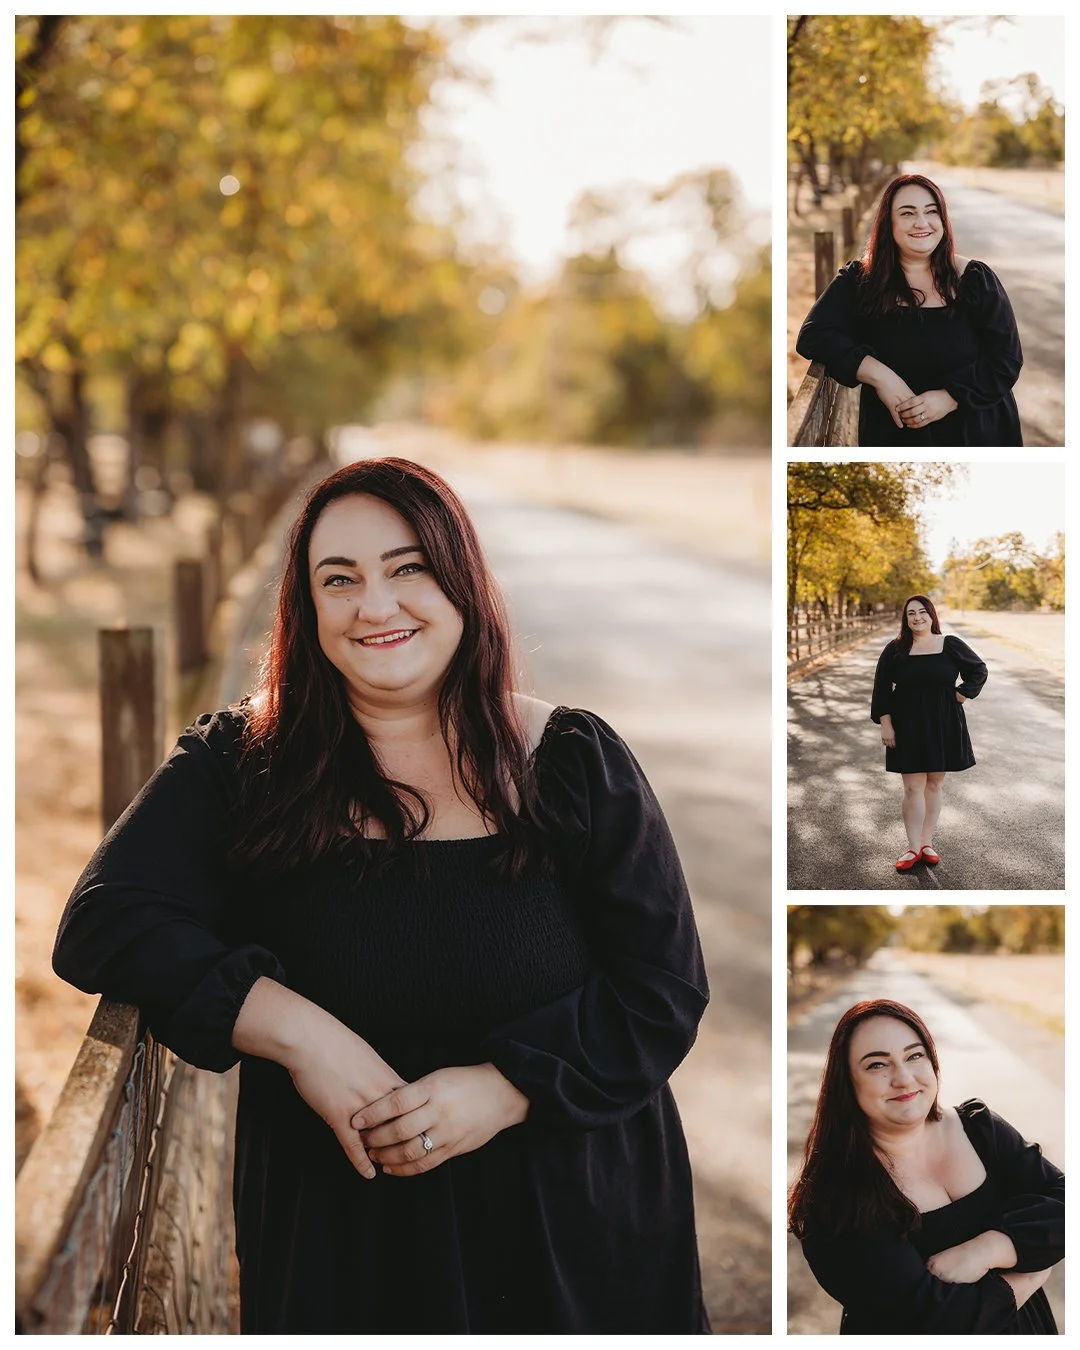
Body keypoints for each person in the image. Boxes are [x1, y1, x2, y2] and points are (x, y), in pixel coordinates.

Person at [51, 457, 712, 1334]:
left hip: (569, 1229)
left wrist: (505, 1087)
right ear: (308, 608)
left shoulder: (568, 761)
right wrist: (300, 1035)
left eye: (409, 568)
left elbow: (662, 992)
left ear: (461, 582)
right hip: (343, 1238)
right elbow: (102, 920)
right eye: (341, 580)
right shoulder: (244, 764)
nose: (376, 605)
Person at [789, 999, 1064, 1335]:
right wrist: (1030, 1273)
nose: (904, 1079)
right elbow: (933, 1323)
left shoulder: (978, 1128)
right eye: (877, 1065)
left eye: (914, 1055)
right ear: (846, 1083)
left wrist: (990, 1249)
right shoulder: (833, 1195)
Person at [796, 173, 1023, 447]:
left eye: (932, 212)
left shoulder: (974, 279)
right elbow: (813, 334)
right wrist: (880, 376)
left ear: (943, 220)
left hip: (977, 433)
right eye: (907, 213)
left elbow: (1006, 360)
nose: (922, 223)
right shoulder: (861, 280)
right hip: (896, 438)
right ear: (888, 223)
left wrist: (950, 397)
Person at [870, 595, 987, 872]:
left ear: (932, 615)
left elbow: (979, 669)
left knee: (934, 784)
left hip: (943, 722)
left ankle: (926, 843)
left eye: (922, 612)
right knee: (912, 787)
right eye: (911, 613)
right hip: (907, 723)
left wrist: (962, 693)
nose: (917, 617)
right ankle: (912, 848)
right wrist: (886, 723)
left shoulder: (950, 644)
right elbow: (881, 687)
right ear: (905, 618)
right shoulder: (895, 649)